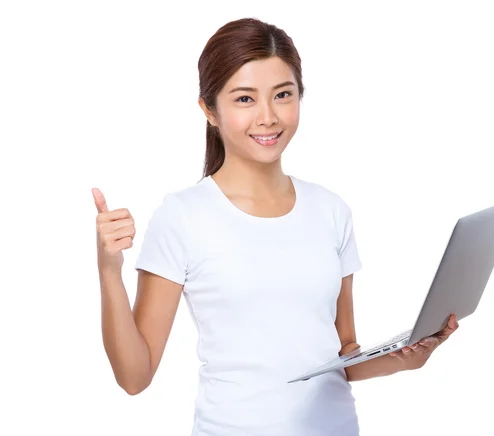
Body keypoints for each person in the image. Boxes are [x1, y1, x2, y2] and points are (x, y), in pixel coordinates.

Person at [92, 17, 459, 436]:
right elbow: (134, 378)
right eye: (245, 99)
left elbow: (344, 356)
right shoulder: (182, 217)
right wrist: (109, 271)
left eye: (282, 95)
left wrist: (407, 357)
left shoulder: (331, 210)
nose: (267, 117)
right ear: (209, 110)